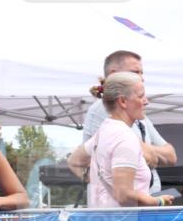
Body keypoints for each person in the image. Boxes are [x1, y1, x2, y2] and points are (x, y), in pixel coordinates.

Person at [67, 72, 174, 208]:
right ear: (123, 101)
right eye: (141, 96)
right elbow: (123, 194)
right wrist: (159, 201)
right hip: (124, 220)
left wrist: (99, 183)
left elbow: (74, 161)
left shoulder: (103, 131)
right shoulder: (125, 138)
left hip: (102, 217)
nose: (146, 101)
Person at [81, 50, 177, 193]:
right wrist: (149, 153)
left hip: (145, 199)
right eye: (135, 72)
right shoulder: (103, 109)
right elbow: (143, 156)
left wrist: (144, 151)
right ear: (113, 74)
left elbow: (171, 156)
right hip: (124, 202)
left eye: (141, 73)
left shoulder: (137, 113)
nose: (141, 78)